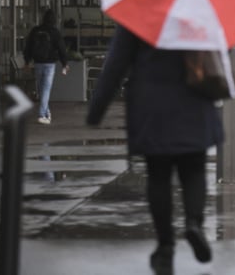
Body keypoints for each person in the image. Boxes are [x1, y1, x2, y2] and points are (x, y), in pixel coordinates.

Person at [87, 25, 222, 273]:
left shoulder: (139, 13)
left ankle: (165, 246)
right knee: (194, 172)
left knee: (158, 177)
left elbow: (116, 63)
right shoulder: (198, 12)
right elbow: (222, 49)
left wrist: (97, 109)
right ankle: (194, 223)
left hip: (151, 106)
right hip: (195, 101)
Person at [23, 8, 68, 125]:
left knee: (42, 89)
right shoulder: (55, 32)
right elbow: (62, 49)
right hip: (50, 65)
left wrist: (27, 62)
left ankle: (47, 113)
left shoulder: (35, 30)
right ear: (54, 20)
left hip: (37, 63)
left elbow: (28, 47)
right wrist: (65, 63)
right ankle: (42, 115)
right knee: (46, 89)